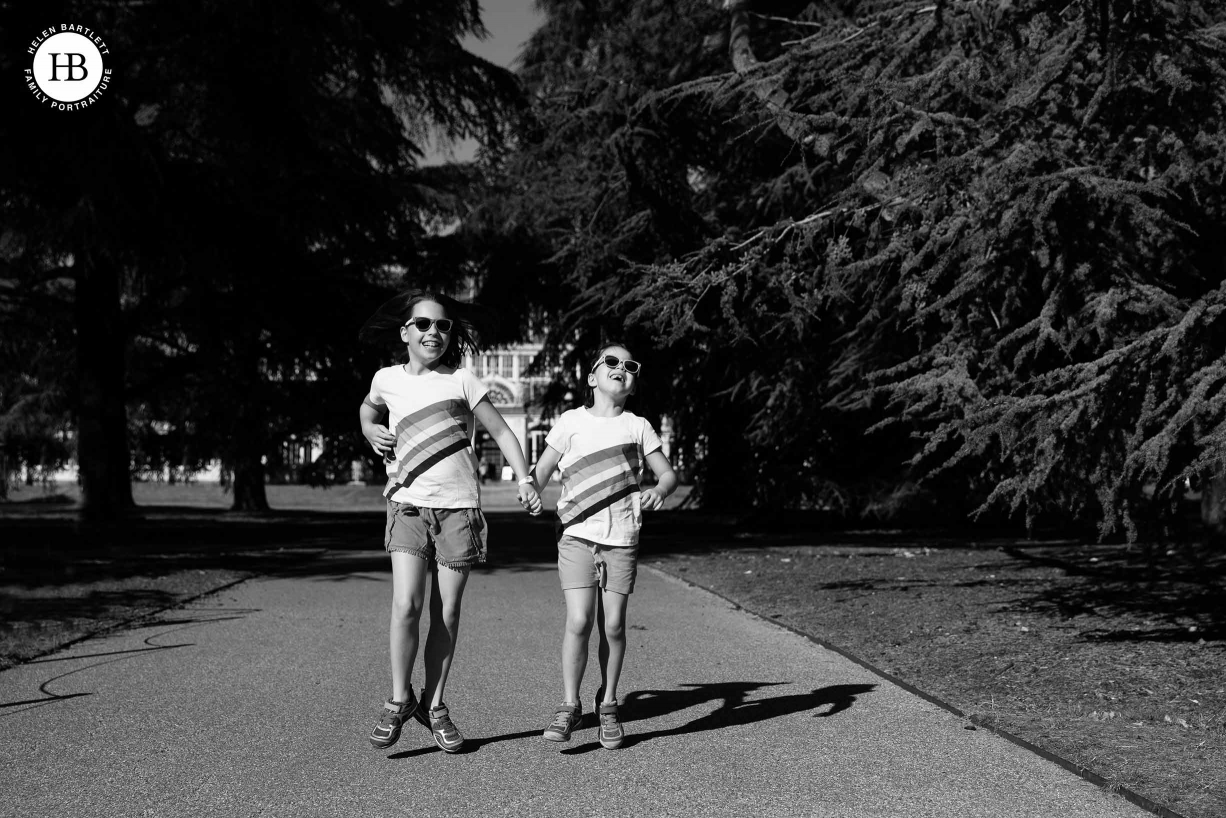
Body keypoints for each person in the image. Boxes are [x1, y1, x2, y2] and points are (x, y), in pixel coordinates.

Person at [359, 290, 542, 753]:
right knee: (406, 606)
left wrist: (524, 479)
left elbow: (502, 431)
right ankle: (399, 700)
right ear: (405, 332)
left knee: (447, 612)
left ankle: (433, 704)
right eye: (423, 324)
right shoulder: (386, 379)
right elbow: (368, 407)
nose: (433, 333)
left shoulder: (462, 381)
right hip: (406, 505)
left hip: (458, 509)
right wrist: (368, 428)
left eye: (442, 326)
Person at [531, 342, 676, 749]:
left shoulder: (638, 426)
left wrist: (660, 489)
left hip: (621, 540)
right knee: (579, 621)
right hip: (577, 535)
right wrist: (531, 492)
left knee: (612, 626)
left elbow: (668, 474)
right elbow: (541, 471)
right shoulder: (570, 422)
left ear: (632, 383)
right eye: (611, 361)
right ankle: (569, 704)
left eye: (630, 365)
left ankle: (609, 703)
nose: (621, 368)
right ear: (592, 377)